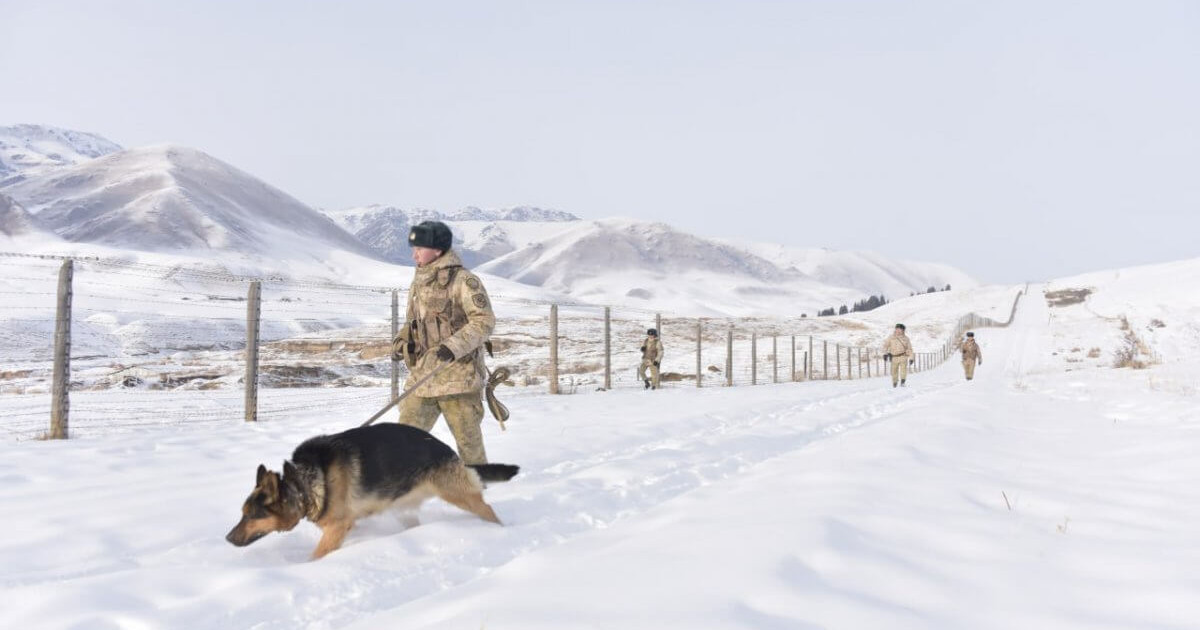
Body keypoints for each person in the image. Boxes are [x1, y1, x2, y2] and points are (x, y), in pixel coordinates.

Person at [392, 220, 496, 464]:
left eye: (419, 247)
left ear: (437, 250)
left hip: (458, 380)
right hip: (423, 376)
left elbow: (484, 321)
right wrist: (402, 340)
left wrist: (452, 347)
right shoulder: (418, 282)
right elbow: (413, 321)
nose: (413, 253)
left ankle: (478, 491)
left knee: (469, 447)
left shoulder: (464, 281)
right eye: (413, 247)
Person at [881, 323, 915, 387]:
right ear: (895, 329)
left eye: (900, 330)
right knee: (894, 371)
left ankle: (902, 382)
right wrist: (885, 354)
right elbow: (885, 346)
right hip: (894, 357)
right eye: (897, 329)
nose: (898, 331)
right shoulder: (891, 337)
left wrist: (911, 358)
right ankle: (895, 383)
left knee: (903, 370)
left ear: (903, 330)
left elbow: (910, 349)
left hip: (903, 356)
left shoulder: (906, 339)